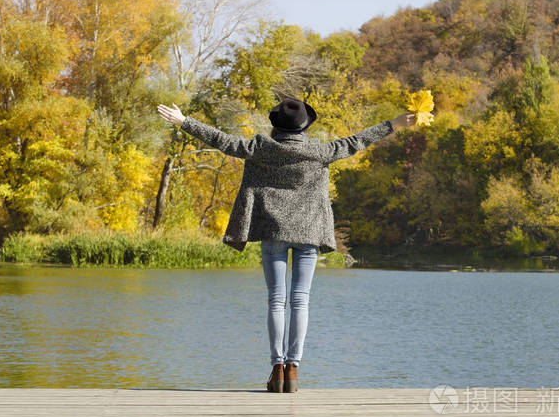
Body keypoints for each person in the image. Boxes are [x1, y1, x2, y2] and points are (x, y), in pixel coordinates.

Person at [157, 98, 415, 393]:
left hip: (273, 232)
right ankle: (293, 370)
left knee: (276, 301)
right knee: (300, 300)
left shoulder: (261, 148)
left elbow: (222, 141)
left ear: (275, 126)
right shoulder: (320, 152)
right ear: (305, 126)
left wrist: (184, 121)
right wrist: (393, 124)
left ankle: (277, 367)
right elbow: (357, 141)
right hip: (309, 236)